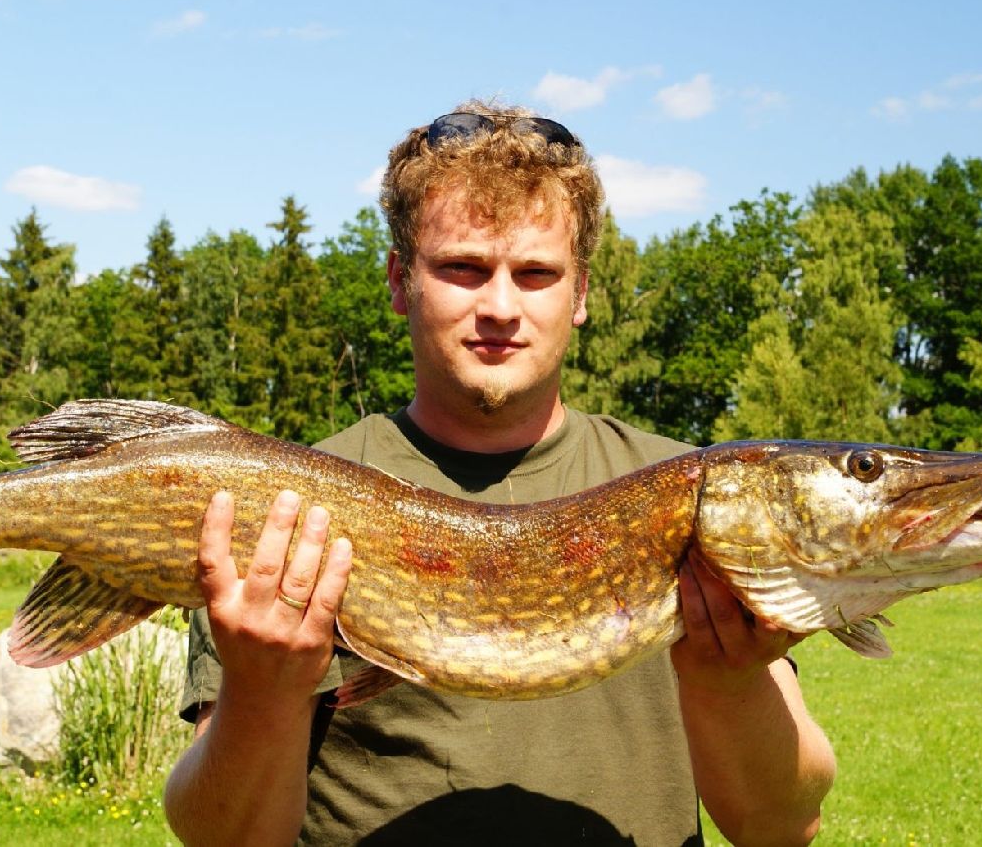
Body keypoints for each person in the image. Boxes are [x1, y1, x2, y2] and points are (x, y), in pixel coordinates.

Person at [163, 102, 836, 846]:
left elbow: (783, 826)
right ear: (398, 282)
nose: (501, 307)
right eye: (463, 268)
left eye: (537, 273)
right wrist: (262, 696)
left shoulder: (698, 495)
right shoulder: (286, 506)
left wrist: (732, 682)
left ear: (580, 293)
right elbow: (223, 839)